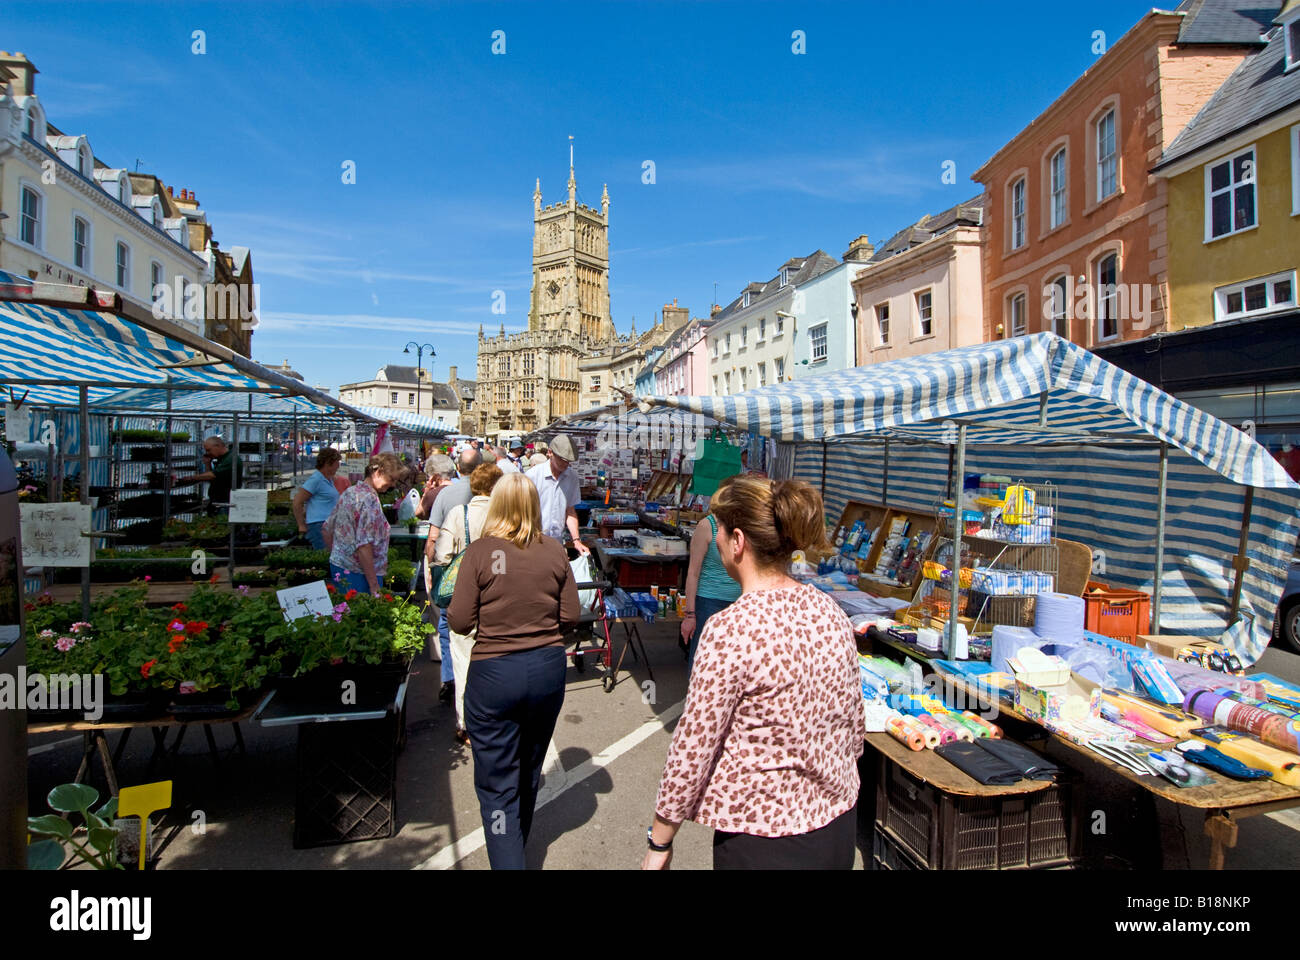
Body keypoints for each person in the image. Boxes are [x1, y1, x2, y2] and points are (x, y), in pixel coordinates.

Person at [643, 477, 864, 871]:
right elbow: (852, 723)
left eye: (722, 532)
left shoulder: (732, 628)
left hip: (762, 837)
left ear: (738, 541)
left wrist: (660, 838)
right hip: (835, 828)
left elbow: (694, 744)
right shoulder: (829, 610)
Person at [447, 472, 580, 869]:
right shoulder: (554, 550)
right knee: (529, 767)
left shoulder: (482, 552)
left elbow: (458, 620)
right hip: (546, 669)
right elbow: (571, 614)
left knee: (497, 784)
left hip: (495, 673)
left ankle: (509, 857)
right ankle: (514, 849)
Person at [434, 462, 504, 743]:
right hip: (497, 600)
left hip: (464, 600)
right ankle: (495, 718)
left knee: (463, 661)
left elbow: (441, 557)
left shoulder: (458, 514)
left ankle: (465, 724)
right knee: (496, 662)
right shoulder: (503, 516)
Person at [425, 446, 483, 702]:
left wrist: (432, 568)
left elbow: (433, 538)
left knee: (448, 626)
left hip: (453, 572)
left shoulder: (446, 494)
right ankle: (477, 679)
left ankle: (449, 678)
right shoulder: (490, 494)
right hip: (484, 570)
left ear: (458, 468)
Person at [680, 475, 741, 675]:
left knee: (732, 664)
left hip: (739, 603)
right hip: (709, 602)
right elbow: (693, 573)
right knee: (704, 662)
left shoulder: (744, 527)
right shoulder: (708, 526)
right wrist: (690, 614)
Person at [322, 452, 403, 595]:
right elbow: (364, 546)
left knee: (344, 612)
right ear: (378, 472)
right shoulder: (368, 500)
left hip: (340, 567)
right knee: (362, 613)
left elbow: (327, 529)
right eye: (392, 479)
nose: (393, 484)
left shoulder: (350, 492)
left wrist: (339, 555)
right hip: (360, 574)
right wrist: (373, 585)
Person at [525, 433, 590, 556]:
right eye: (562, 459)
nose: (566, 464)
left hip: (556, 542)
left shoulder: (572, 477)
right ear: (550, 453)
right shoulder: (532, 476)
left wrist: (576, 540)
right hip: (532, 540)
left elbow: (570, 511)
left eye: (569, 461)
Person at [174, 436, 238, 515]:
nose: (208, 453)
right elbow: (212, 479)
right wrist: (207, 463)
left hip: (225, 502)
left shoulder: (230, 459)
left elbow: (212, 475)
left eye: (209, 450)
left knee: (221, 524)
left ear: (217, 446)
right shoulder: (222, 459)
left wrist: (191, 478)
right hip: (217, 501)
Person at [293, 448, 343, 549]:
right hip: (318, 526)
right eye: (337, 463)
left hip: (327, 524)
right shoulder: (316, 480)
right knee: (324, 555)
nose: (338, 466)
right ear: (328, 463)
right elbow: (297, 502)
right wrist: (301, 525)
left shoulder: (328, 480)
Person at [416, 453, 456, 521]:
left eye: (429, 476)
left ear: (436, 476)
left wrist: (426, 493)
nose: (428, 479)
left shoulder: (432, 494)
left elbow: (419, 514)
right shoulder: (460, 490)